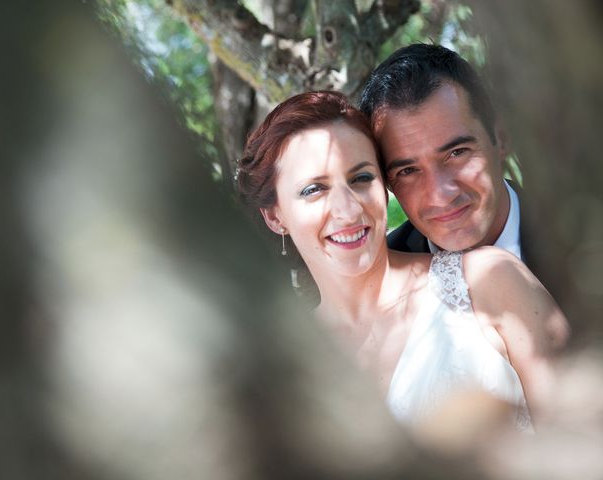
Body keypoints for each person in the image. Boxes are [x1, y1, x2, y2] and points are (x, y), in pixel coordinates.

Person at [237, 91, 569, 429]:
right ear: (275, 216)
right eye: (314, 190)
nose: (348, 210)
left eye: (361, 178)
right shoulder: (285, 368)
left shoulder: (489, 281)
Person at [359, 43, 525, 261]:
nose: (441, 195)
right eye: (408, 170)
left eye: (457, 153)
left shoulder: (573, 231)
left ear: (501, 139)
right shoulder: (385, 271)